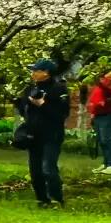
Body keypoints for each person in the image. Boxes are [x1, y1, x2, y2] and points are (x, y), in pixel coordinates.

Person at [19, 58, 69, 207]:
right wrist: (25, 102)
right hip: (33, 135)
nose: (33, 73)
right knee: (35, 171)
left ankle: (56, 198)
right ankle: (42, 199)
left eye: (36, 70)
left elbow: (61, 114)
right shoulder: (30, 89)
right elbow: (23, 110)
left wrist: (43, 105)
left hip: (51, 135)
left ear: (46, 73)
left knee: (48, 168)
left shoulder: (59, 89)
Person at [87, 67, 111, 175]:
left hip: (108, 115)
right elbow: (95, 100)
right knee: (101, 140)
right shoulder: (101, 85)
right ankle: (106, 164)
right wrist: (93, 114)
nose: (106, 77)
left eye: (107, 76)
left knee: (107, 139)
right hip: (98, 116)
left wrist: (104, 81)